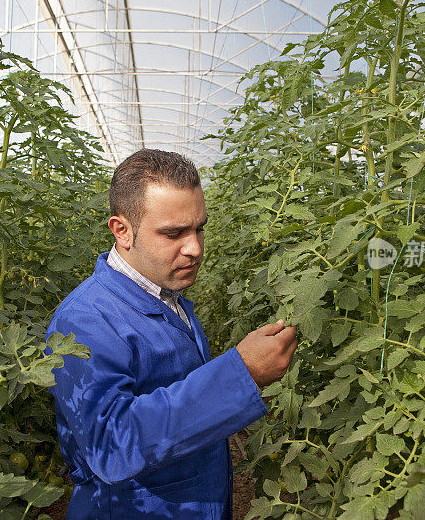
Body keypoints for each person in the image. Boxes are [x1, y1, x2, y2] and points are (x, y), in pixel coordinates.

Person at [44, 149, 298, 519]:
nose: (194, 248)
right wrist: (240, 373)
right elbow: (111, 446)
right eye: (174, 233)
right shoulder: (84, 321)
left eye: (199, 228)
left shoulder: (166, 293)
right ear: (122, 230)